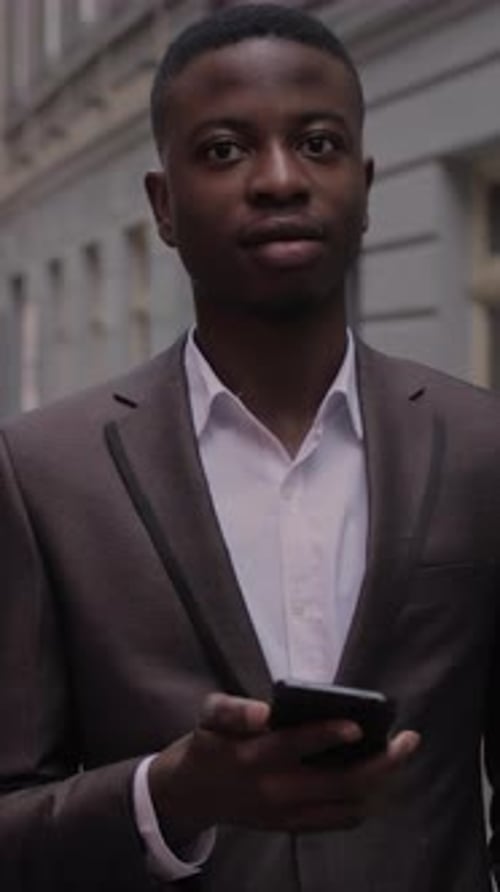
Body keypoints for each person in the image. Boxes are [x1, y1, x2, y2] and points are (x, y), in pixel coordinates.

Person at [0, 3, 499, 890]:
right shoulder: (42, 475)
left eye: (317, 143)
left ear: (366, 184)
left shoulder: (479, 446)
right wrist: (171, 794)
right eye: (224, 150)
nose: (278, 179)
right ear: (163, 204)